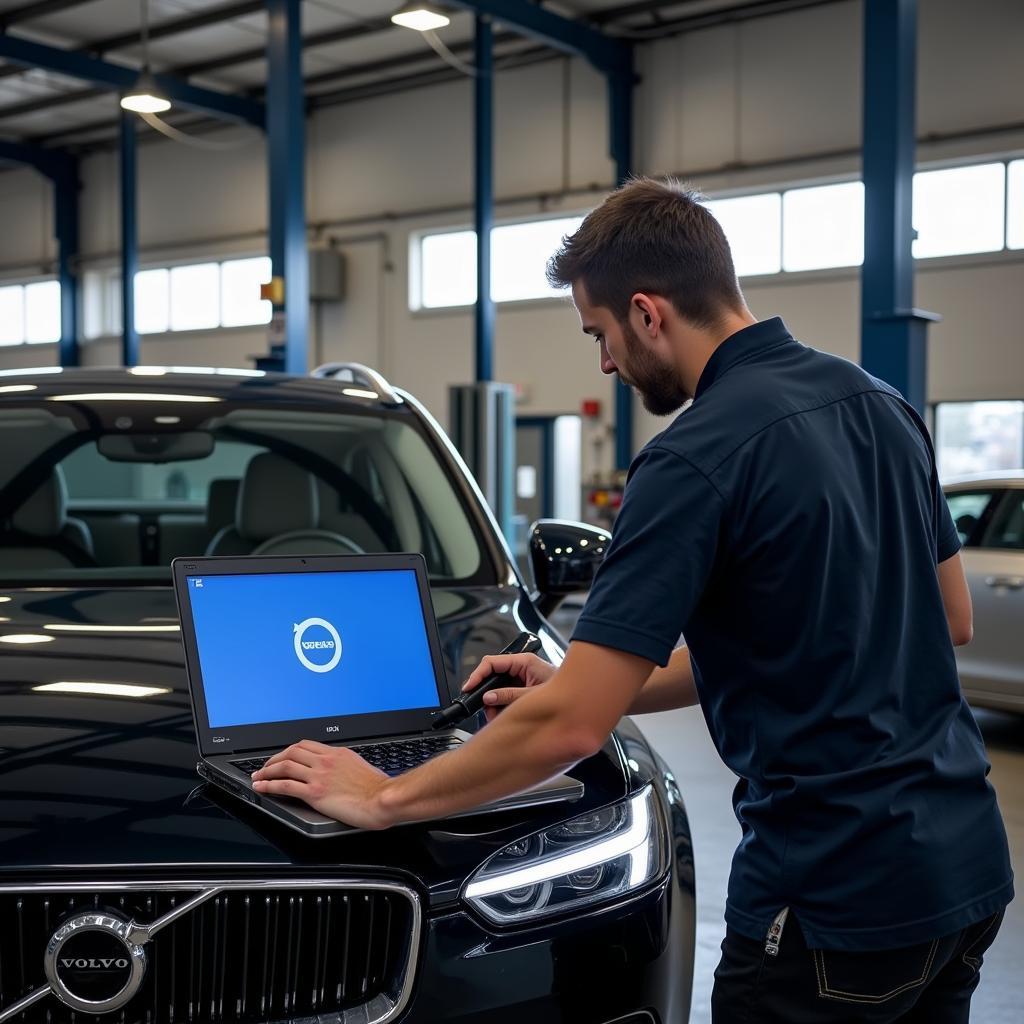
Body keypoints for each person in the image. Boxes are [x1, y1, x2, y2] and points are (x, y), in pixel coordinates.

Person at [251, 177, 1013, 1023]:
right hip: (965, 872)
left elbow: (574, 731)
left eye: (600, 334)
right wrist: (592, 683)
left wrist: (382, 794)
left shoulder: (694, 457)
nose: (605, 363)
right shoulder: (881, 404)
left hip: (833, 901)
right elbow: (947, 618)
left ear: (648, 313)